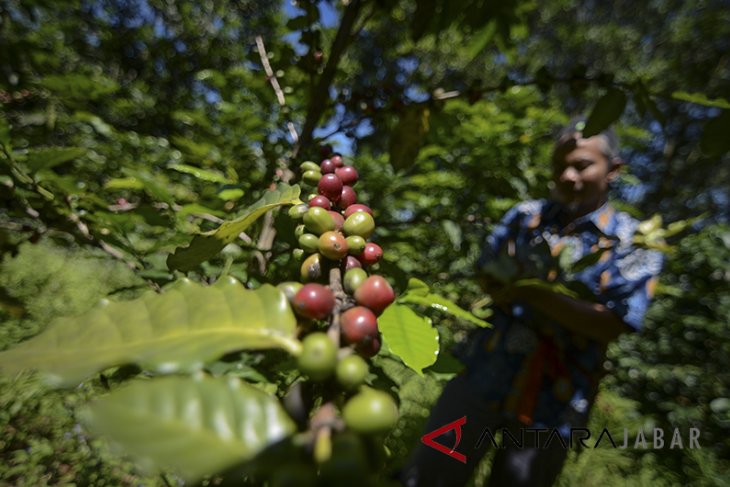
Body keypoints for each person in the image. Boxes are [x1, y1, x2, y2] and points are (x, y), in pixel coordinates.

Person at [400, 117, 663, 487]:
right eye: (560, 166)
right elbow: (487, 270)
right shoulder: (526, 218)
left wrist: (534, 293)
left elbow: (614, 322)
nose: (569, 176)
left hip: (553, 401)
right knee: (430, 475)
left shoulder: (632, 243)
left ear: (613, 170)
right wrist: (499, 282)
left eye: (582, 165)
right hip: (480, 372)